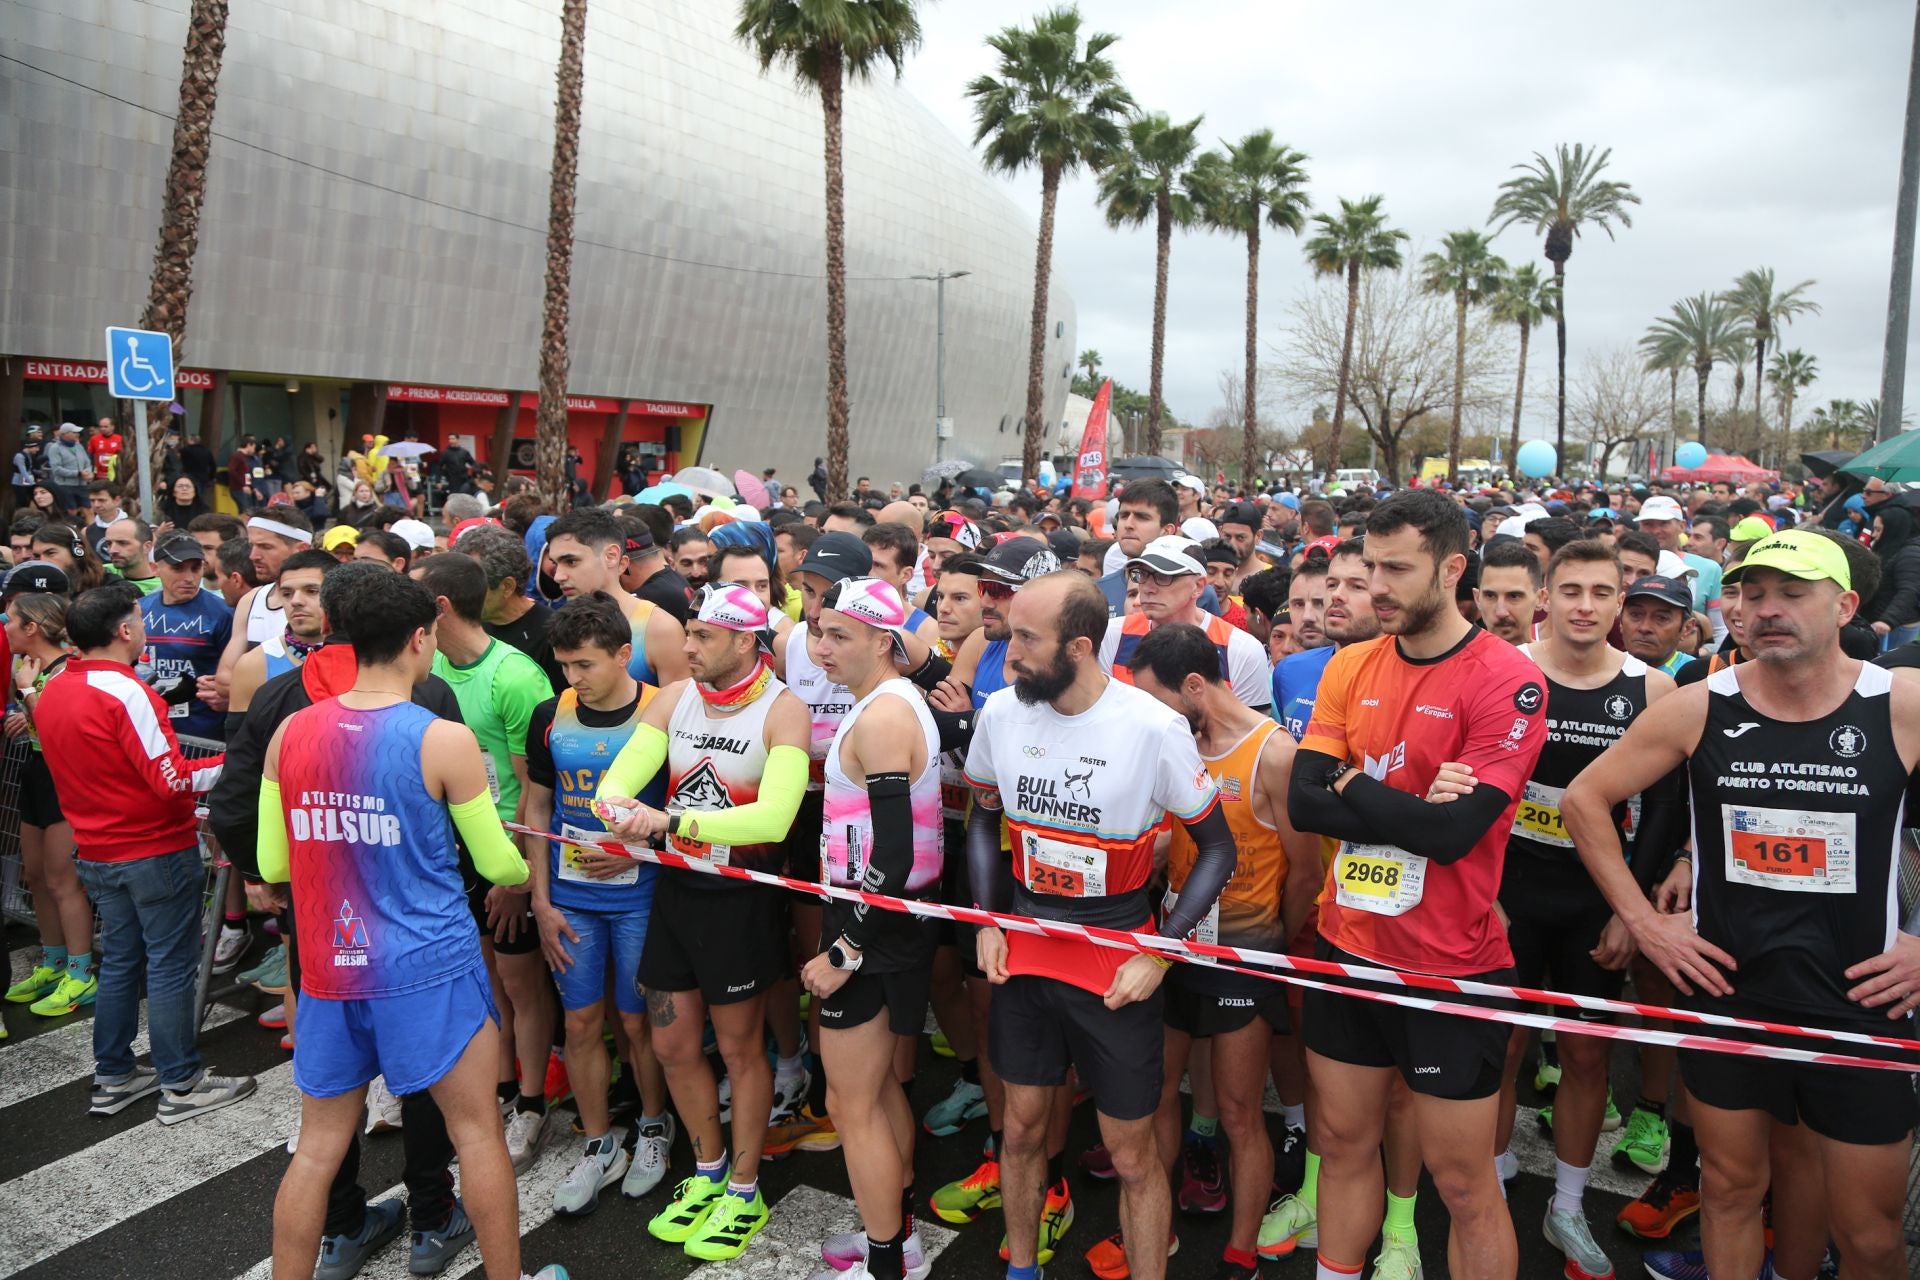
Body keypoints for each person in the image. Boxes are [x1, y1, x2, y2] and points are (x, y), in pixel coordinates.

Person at [1563, 527, 1920, 1280]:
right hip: (1730, 990)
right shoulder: (1701, 706)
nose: (1766, 610)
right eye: (1750, 594)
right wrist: (1644, 924)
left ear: (1846, 604)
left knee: (1871, 1235)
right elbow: (1585, 799)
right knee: (1729, 1190)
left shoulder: (1901, 701)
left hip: (1859, 1001)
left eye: (1792, 593)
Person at [255, 567, 568, 1280]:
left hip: (331, 969)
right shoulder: (443, 739)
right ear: (420, 637)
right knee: (477, 1133)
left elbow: (273, 858)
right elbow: (500, 866)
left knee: (318, 1148)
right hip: (427, 966)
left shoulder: (290, 734)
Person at [1285, 489, 1549, 1280]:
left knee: (1464, 1186)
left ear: (1453, 566)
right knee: (1340, 1146)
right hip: (1347, 945)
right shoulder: (1350, 663)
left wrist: (1352, 787)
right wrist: (1397, 802)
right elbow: (1304, 802)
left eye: (1398, 569)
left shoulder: (1508, 681)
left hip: (1452, 966)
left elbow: (1451, 834)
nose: (1378, 587)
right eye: (1371, 566)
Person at [964, 570, 1240, 1280]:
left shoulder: (1153, 727)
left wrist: (1161, 952)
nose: (1010, 650)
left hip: (1115, 955)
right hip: (1024, 946)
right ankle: (1020, 1269)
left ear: (1080, 646)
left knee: (1131, 1155)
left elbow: (1217, 848)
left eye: (1027, 637)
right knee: (1020, 1133)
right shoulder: (1000, 712)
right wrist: (989, 921)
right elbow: (985, 815)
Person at [594, 582, 811, 1263]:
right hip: (679, 889)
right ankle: (710, 1170)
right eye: (686, 632)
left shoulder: (785, 710)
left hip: (741, 898)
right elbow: (618, 781)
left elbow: (773, 818)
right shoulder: (673, 696)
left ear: (746, 641)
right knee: (673, 1047)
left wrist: (668, 821)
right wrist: (617, 810)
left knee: (743, 1051)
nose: (686, 647)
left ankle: (745, 1189)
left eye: (704, 636)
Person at [1488, 539, 1677, 1280]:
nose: (1585, 607)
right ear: (1546, 596)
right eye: (1571, 591)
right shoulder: (1506, 670)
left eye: (1602, 593)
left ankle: (1567, 1204)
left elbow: (1664, 811)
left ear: (1619, 603)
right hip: (1507, 894)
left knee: (1587, 1052)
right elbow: (1477, 791)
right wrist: (1485, 897)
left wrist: (1630, 910)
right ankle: (1496, 1179)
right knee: (1502, 1047)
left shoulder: (1652, 689)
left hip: (1593, 900)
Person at [1115, 623, 1319, 1280]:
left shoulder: (1274, 753)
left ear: (1196, 686)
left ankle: (1239, 1252)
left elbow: (1307, 871)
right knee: (1156, 1100)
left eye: (1157, 699)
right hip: (1173, 949)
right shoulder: (1177, 740)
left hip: (1244, 958)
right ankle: (1157, 1231)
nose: (1150, 715)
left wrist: (1270, 942)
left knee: (1236, 1111)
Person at [36, 583, 257, 1122]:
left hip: (98, 849)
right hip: (153, 849)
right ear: (125, 631)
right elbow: (171, 779)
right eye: (139, 619)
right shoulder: (126, 690)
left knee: (121, 965)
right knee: (170, 966)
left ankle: (114, 1075)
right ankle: (181, 1081)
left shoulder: (54, 687)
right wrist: (247, 763)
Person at [802, 577, 946, 1280]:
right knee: (879, 1091)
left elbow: (891, 852)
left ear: (883, 644)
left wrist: (845, 947)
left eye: (839, 636)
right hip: (883, 915)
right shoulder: (888, 702)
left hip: (874, 920)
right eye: (818, 631)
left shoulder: (885, 716)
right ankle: (899, 1239)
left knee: (848, 1103)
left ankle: (889, 1261)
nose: (821, 647)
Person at [523, 593, 675, 1211]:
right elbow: (535, 808)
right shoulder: (549, 714)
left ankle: (653, 1127)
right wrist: (539, 898)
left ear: (622, 655)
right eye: (565, 666)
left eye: (585, 665)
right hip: (570, 896)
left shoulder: (658, 710)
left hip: (640, 894)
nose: (574, 678)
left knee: (638, 1022)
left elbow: (680, 811)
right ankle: (597, 1142)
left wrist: (639, 854)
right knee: (582, 1023)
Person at [418, 553, 557, 1176]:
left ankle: (532, 1102)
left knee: (522, 985)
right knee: (486, 983)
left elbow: (536, 789)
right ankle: (502, 1091)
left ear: (441, 607)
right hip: (453, 852)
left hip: (504, 851)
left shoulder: (517, 677)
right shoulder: (435, 667)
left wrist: (519, 875)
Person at [1, 568, 98, 1020]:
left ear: (32, 628)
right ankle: (53, 961)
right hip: (37, 774)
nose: (5, 629)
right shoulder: (28, 667)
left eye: (10, 621)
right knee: (36, 876)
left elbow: (60, 733)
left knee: (62, 880)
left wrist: (26, 693)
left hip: (66, 778)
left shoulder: (66, 669)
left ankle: (81, 973)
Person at [1101, 536, 1271, 712]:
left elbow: (1251, 734)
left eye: (1163, 576)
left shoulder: (1241, 649)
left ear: (1198, 586)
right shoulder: (1113, 634)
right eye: (1142, 575)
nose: (1148, 588)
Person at [543, 508, 690, 689]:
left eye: (571, 561)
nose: (558, 576)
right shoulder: (560, 623)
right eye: (556, 563)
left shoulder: (659, 629)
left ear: (611, 556)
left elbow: (677, 711)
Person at [140, 530, 234, 743]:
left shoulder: (223, 613)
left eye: (196, 568)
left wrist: (229, 694)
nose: (189, 578)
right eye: (178, 568)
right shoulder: (139, 610)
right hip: (150, 729)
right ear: (155, 568)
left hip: (204, 736)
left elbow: (240, 673)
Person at [215, 509, 317, 692]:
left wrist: (245, 687)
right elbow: (224, 679)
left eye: (265, 547)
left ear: (301, 549)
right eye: (252, 546)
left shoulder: (330, 600)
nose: (253, 556)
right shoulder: (252, 599)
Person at [1095, 480, 1180, 615]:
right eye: (1124, 515)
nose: (1128, 524)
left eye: (1142, 517)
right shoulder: (1099, 590)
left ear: (1167, 531)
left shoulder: (1193, 592)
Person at [1619, 574, 1696, 678]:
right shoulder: (1601, 671)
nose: (1645, 628)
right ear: (1621, 621)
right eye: (1635, 615)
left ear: (1686, 628)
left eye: (1661, 618)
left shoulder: (1698, 679)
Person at [1474, 538, 1544, 646]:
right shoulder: (1457, 661)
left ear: (1540, 598)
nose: (1501, 612)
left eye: (1514, 596)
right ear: (1477, 598)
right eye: (1490, 596)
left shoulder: (1555, 662)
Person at [101, 517, 162, 593]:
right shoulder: (101, 572)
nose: (112, 550)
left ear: (147, 547)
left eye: (122, 543)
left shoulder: (163, 586)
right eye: (109, 543)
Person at [46, 423, 91, 515]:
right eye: (74, 432)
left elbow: (87, 462)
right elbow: (56, 469)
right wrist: (77, 473)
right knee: (71, 511)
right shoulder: (55, 448)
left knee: (88, 509)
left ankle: (91, 528)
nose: (77, 434)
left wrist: (88, 472)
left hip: (82, 484)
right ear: (65, 434)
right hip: (65, 485)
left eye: (77, 432)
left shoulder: (79, 446)